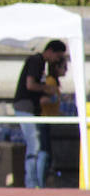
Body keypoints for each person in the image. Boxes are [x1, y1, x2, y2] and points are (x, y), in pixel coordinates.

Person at [13, 40, 67, 189]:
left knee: (37, 146)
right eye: (58, 56)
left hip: (32, 108)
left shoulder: (41, 64)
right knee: (34, 145)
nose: (58, 60)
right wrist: (46, 89)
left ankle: (35, 182)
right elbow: (30, 84)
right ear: (50, 51)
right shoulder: (36, 61)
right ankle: (31, 184)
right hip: (26, 107)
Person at [38, 57, 68, 187]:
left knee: (48, 154)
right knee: (44, 153)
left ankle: (44, 182)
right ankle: (39, 183)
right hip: (45, 120)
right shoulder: (50, 81)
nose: (66, 70)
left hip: (50, 120)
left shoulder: (55, 83)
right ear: (57, 67)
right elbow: (43, 101)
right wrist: (53, 99)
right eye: (64, 67)